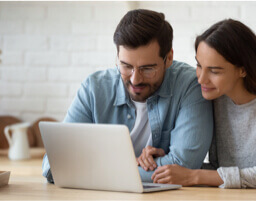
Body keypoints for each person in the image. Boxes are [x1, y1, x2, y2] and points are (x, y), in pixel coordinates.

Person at [150, 19, 256, 190]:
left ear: (243, 69)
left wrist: (193, 176)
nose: (201, 78)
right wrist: (171, 165)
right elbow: (222, 171)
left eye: (214, 70)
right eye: (199, 65)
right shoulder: (218, 98)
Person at [42, 9, 213, 183]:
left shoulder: (190, 86)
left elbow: (184, 166)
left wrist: (93, 170)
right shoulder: (94, 89)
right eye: (126, 66)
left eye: (147, 69)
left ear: (168, 58)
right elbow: (54, 164)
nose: (135, 79)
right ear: (117, 57)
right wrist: (135, 165)